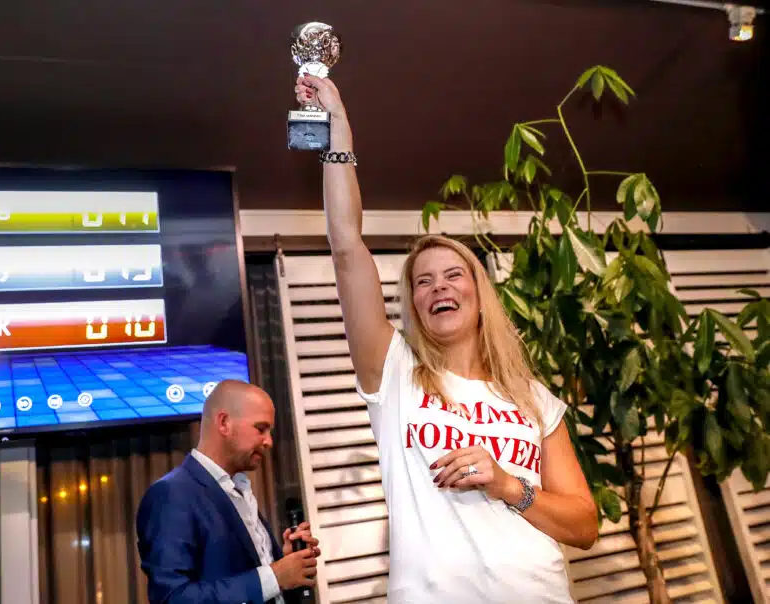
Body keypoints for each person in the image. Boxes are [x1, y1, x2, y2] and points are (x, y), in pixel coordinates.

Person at [293, 75, 599, 603]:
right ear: (414, 304)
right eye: (424, 281)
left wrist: (507, 485)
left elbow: (584, 526)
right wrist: (337, 127)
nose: (439, 287)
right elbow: (346, 247)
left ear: (479, 294)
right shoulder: (394, 374)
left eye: (454, 275)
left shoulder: (532, 397)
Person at [136, 379, 321, 604]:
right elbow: (173, 598)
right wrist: (274, 576)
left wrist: (286, 567)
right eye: (260, 429)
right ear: (224, 423)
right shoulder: (170, 495)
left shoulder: (239, 489)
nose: (269, 441)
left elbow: (259, 584)